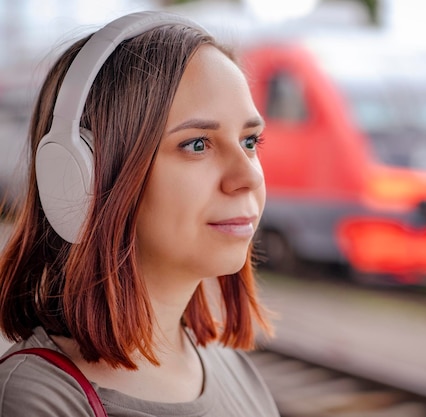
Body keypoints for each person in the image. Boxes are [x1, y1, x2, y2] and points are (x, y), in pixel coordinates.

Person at [0, 11, 278, 416]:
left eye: (250, 140)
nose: (248, 177)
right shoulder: (38, 399)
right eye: (198, 144)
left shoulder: (235, 371)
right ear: (84, 178)